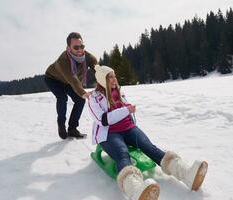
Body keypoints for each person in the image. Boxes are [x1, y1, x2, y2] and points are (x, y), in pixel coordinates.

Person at [88, 65, 208, 200]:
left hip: (129, 128)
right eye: (109, 77)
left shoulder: (119, 92)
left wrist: (128, 109)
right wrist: (126, 110)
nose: (114, 80)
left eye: (114, 76)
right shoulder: (94, 98)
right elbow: (103, 120)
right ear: (102, 80)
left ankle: (186, 174)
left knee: (149, 147)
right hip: (109, 134)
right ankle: (135, 190)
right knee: (123, 154)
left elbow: (126, 108)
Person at [45, 32, 97, 140]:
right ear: (68, 48)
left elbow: (99, 71)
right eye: (76, 47)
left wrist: (108, 84)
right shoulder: (63, 60)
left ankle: (72, 129)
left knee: (80, 100)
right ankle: (61, 124)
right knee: (62, 97)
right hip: (53, 78)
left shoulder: (88, 57)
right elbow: (73, 79)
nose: (80, 50)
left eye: (82, 46)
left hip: (67, 81)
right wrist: (83, 93)